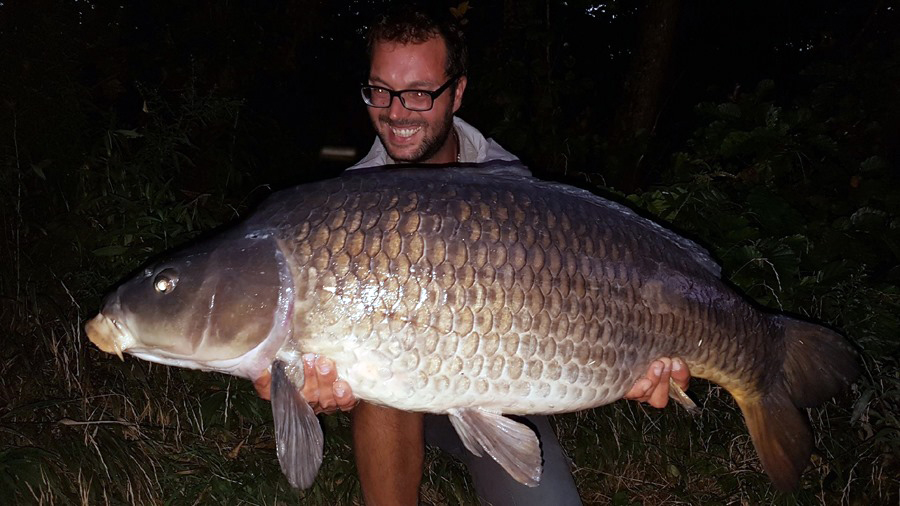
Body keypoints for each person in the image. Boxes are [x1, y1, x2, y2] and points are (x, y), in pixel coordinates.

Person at [255, 6, 691, 505]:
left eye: (419, 93)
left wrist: (632, 362)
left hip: (500, 388)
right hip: (397, 404)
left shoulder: (516, 192)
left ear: (457, 92)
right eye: (380, 90)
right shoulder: (348, 208)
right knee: (384, 367)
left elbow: (588, 306)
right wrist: (313, 387)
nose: (396, 112)